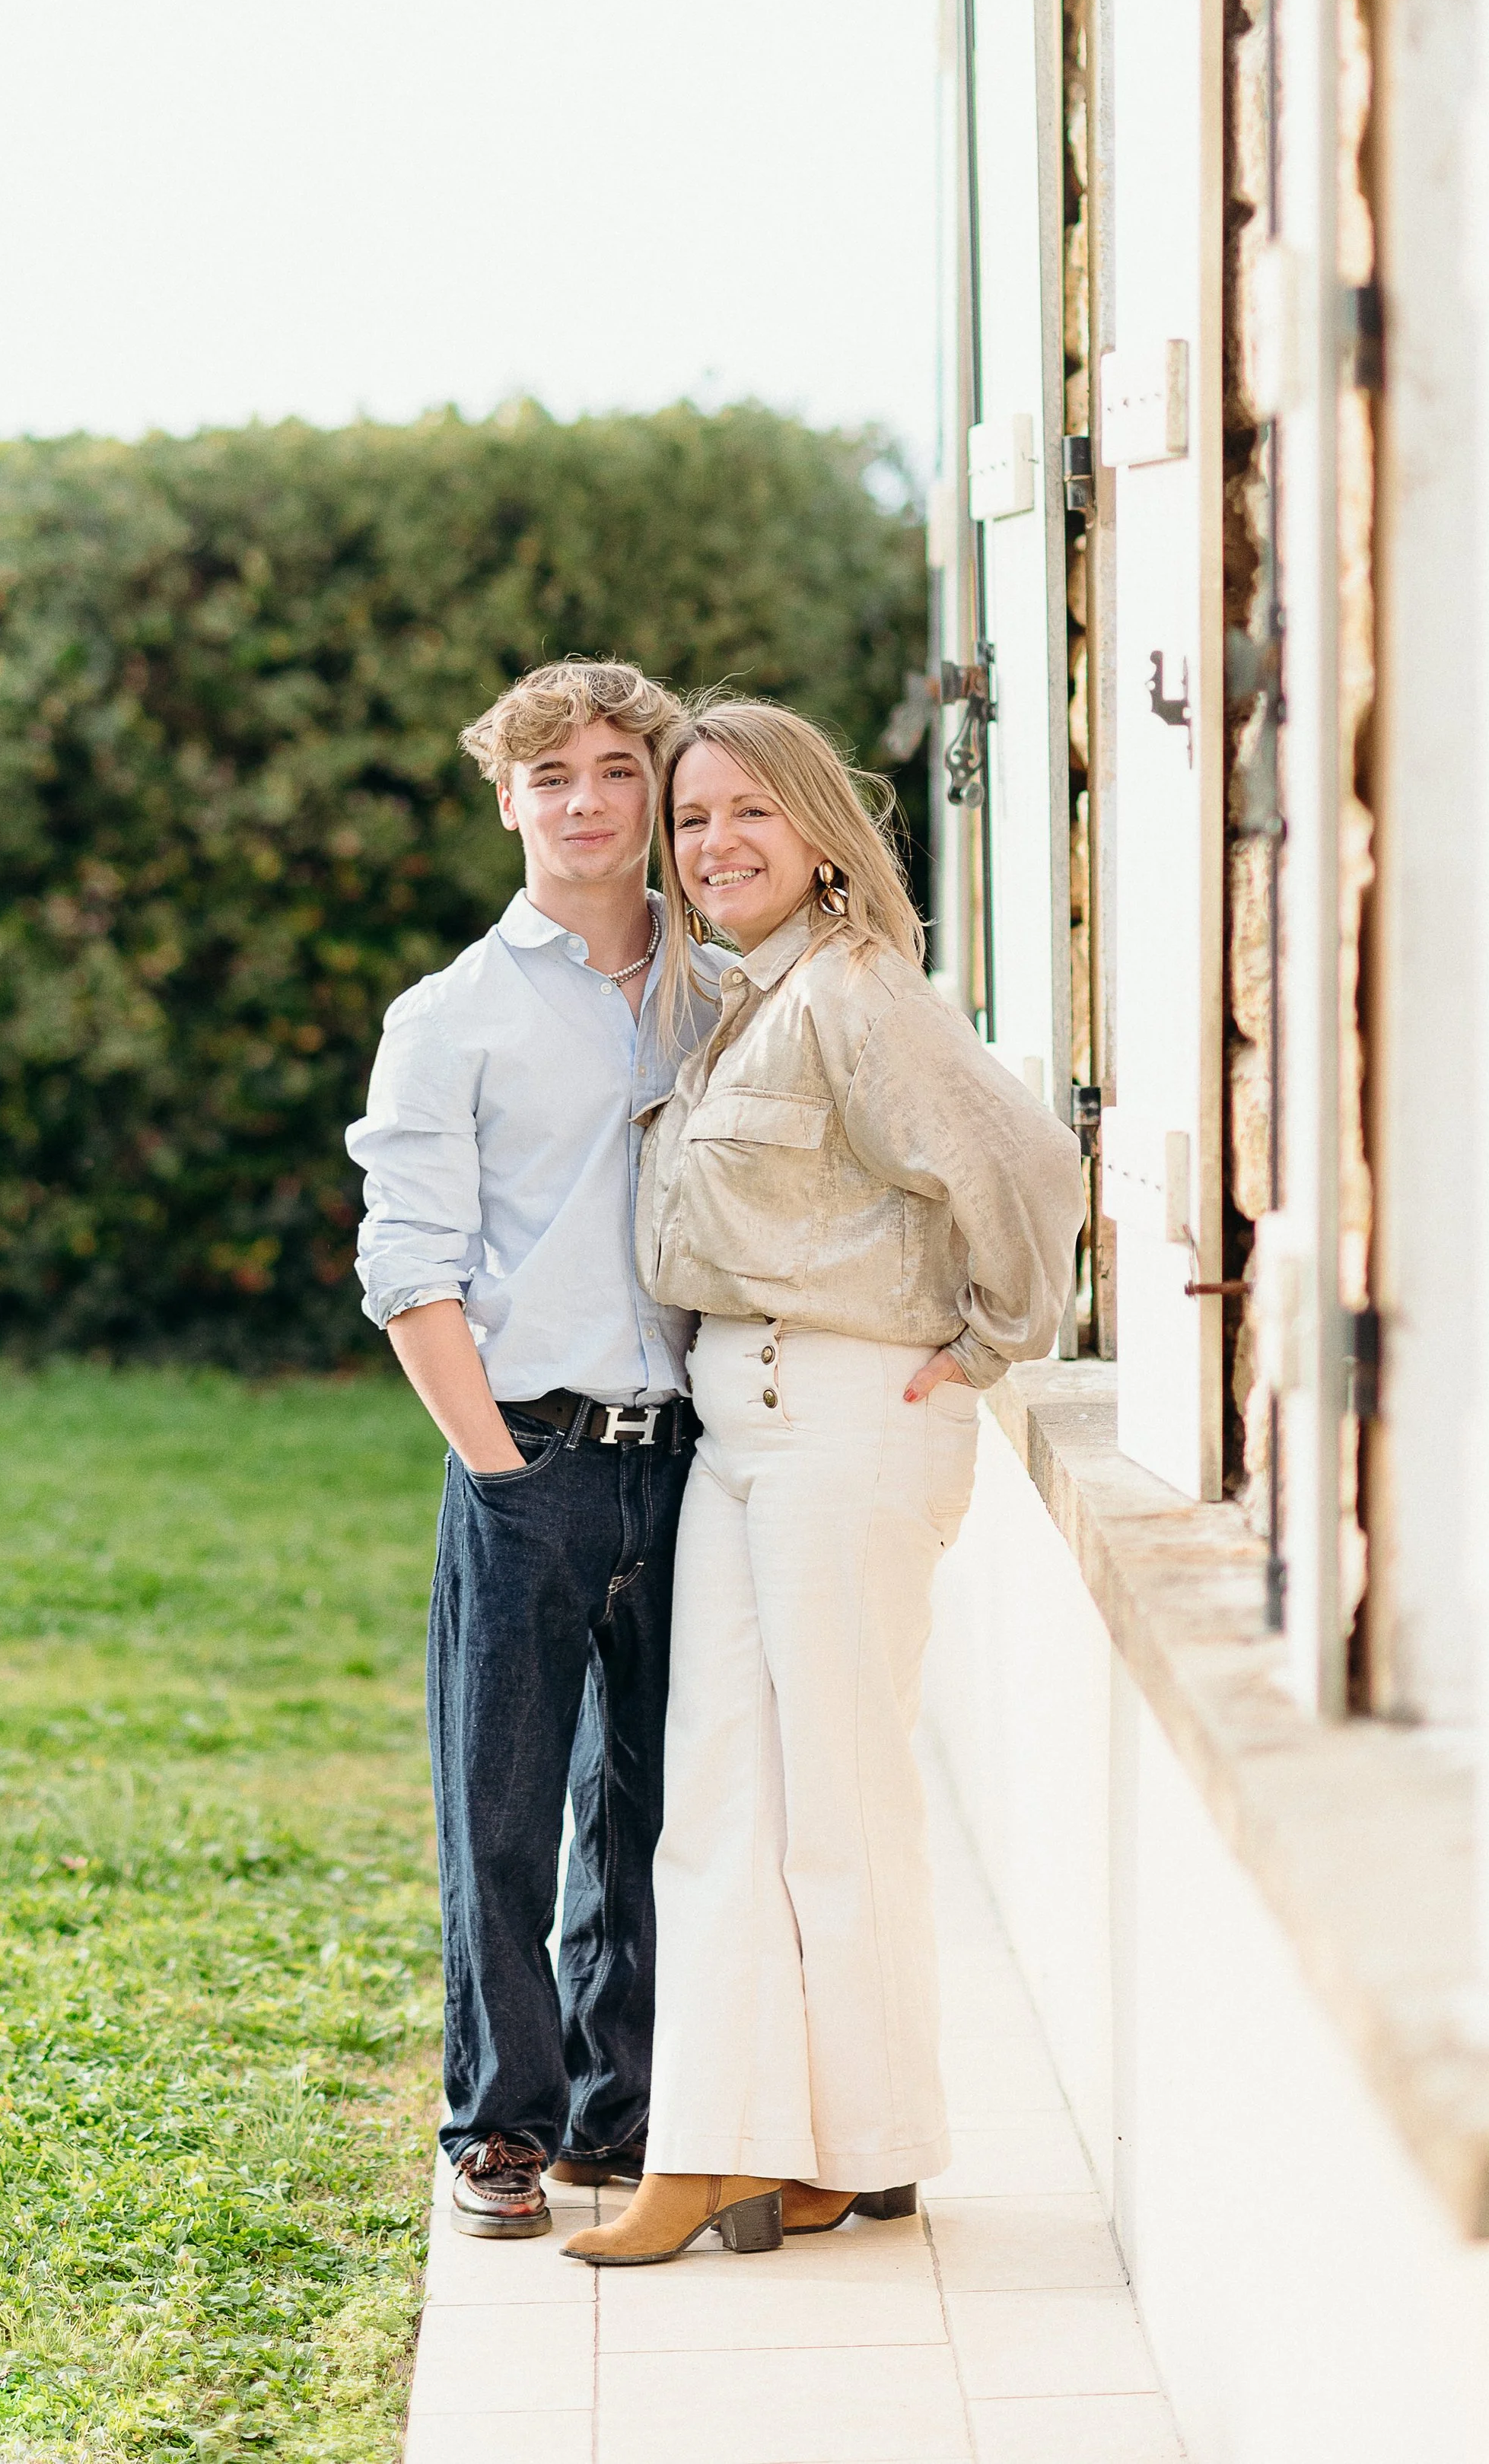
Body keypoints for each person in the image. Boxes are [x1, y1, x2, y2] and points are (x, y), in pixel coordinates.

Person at [564, 700, 1085, 2268]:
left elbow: (1022, 1163)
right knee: (723, 1792)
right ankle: (788, 2146)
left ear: (816, 831)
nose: (712, 844)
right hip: (748, 1429)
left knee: (833, 1802)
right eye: (692, 819)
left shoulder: (857, 992)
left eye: (746, 814)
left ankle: (787, 2149)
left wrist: (988, 1340)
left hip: (847, 1424)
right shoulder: (748, 996)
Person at [347, 659, 718, 2243]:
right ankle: (497, 2117)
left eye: (614, 770)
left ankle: (614, 2112)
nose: (582, 800)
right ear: (505, 797)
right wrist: (498, 1466)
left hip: (700, 1456)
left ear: (652, 790)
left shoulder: (724, 992)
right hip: (531, 1459)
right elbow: (408, 1267)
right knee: (499, 1806)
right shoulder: (451, 1018)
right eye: (547, 773)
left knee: (655, 1801)